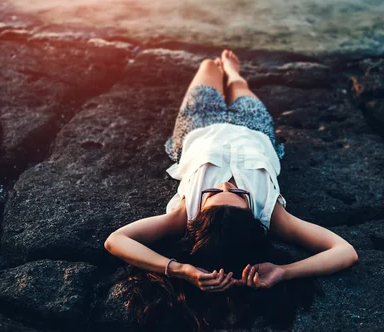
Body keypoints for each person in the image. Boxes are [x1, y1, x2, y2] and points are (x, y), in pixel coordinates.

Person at [104, 49, 358, 326]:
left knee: (206, 65)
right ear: (251, 217)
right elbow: (345, 251)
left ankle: (222, 67)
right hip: (254, 129)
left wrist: (179, 269)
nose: (226, 184)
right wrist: (284, 272)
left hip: (198, 126)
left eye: (211, 193)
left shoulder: (185, 216)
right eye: (238, 194)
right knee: (239, 83)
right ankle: (233, 71)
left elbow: (115, 240)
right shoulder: (270, 214)